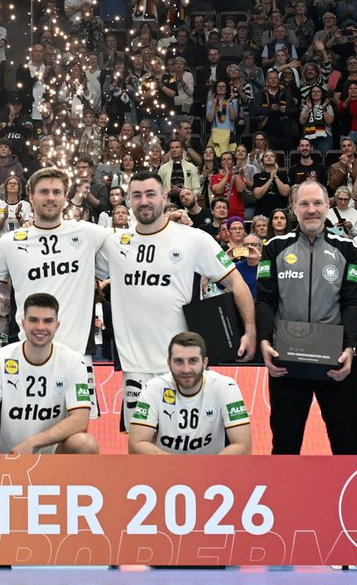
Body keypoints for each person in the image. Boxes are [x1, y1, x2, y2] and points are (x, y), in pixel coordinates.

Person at [102, 170, 256, 426]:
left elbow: (235, 282)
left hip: (184, 365)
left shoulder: (193, 239)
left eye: (151, 194)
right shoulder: (114, 243)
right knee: (141, 450)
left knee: (188, 449)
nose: (144, 201)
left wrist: (250, 330)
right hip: (135, 369)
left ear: (164, 196)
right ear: (128, 201)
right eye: (137, 195)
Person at [0, 166, 113, 415]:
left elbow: (135, 244)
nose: (51, 197)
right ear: (31, 197)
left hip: (78, 358)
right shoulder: (10, 242)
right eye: (43, 191)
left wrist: (172, 224)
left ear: (66, 197)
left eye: (57, 192)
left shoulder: (88, 233)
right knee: (24, 433)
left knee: (80, 441)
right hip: (27, 356)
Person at [256, 178, 357, 455]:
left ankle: (347, 499)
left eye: (317, 203)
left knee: (346, 443)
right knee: (284, 444)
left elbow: (353, 302)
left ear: (328, 206)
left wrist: (351, 348)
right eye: (304, 203)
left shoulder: (347, 249)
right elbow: (266, 299)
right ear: (294, 208)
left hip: (336, 360)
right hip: (287, 360)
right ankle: (282, 499)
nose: (311, 209)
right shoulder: (275, 248)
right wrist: (265, 342)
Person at [0, 292, 97, 457]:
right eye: (33, 320)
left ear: (57, 325)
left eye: (48, 321)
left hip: (54, 453)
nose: (40, 327)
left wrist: (33, 442)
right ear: (23, 323)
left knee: (86, 443)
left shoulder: (74, 361)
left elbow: (80, 420)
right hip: (9, 453)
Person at [128, 331, 251, 455]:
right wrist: (180, 468)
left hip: (213, 470)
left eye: (193, 361)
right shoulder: (153, 388)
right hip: (166, 469)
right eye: (178, 361)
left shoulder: (226, 387)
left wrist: (205, 471)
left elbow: (243, 446)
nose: (186, 369)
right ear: (169, 363)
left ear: (205, 362)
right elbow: (136, 444)